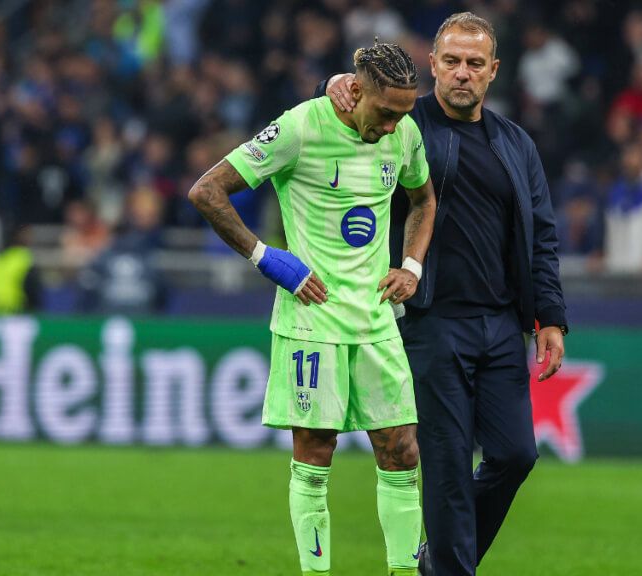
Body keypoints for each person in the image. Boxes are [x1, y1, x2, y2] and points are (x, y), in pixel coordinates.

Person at [319, 12, 568, 576]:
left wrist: (549, 316)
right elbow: (342, 118)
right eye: (451, 61)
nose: (462, 73)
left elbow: (542, 237)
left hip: (501, 324)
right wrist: (332, 83)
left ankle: (437, 562)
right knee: (448, 465)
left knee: (515, 455)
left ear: (493, 70)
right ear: (431, 64)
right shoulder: (404, 125)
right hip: (429, 322)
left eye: (474, 63)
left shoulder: (516, 144)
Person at [189, 41, 436, 576]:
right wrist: (267, 258)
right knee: (316, 452)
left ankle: (404, 572)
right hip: (312, 320)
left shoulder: (405, 133)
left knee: (402, 451)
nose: (393, 126)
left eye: (402, 115)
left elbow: (423, 197)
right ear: (355, 91)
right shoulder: (301, 126)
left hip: (376, 319)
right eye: (385, 113)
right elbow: (207, 191)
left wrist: (412, 266)